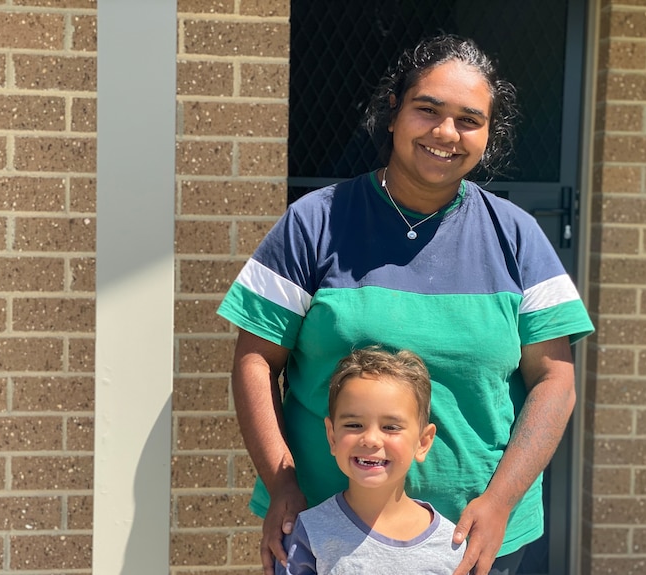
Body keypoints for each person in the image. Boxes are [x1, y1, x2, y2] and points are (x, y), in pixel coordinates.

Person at [217, 33, 594, 575]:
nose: (446, 132)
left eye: (470, 119)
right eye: (428, 109)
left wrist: (501, 502)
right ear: (393, 113)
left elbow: (555, 382)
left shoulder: (518, 237)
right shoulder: (314, 223)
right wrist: (282, 483)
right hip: (328, 540)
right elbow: (256, 361)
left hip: (474, 541)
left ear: (488, 135)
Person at [277, 347, 465, 575]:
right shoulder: (310, 534)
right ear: (332, 437)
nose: (371, 439)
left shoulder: (450, 544)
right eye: (354, 425)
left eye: (391, 427)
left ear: (423, 442)